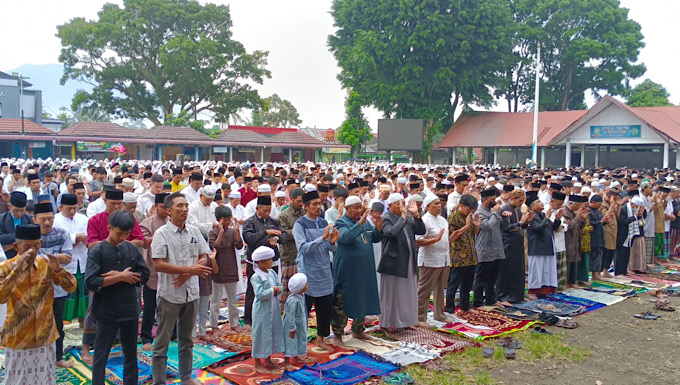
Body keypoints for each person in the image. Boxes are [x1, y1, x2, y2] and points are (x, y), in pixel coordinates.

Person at [0, 224, 77, 385]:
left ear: (40, 244)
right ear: (16, 246)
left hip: (45, 335)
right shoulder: (6, 268)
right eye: (27, 247)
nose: (32, 251)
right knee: (16, 379)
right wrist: (17, 270)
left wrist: (58, 269)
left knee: (45, 379)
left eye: (36, 246)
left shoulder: (45, 264)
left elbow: (71, 287)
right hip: (18, 336)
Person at [151, 192, 213, 385]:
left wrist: (189, 273)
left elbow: (205, 255)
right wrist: (188, 269)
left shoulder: (194, 231)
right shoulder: (162, 234)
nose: (185, 209)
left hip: (191, 293)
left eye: (186, 205)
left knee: (186, 339)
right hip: (170, 294)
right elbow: (159, 264)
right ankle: (159, 381)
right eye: (180, 206)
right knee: (162, 341)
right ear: (169, 211)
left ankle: (185, 377)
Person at [86, 210, 150, 385]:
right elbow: (91, 282)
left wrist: (117, 277)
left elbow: (144, 274)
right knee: (101, 355)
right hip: (106, 311)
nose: (123, 237)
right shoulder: (98, 251)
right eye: (119, 233)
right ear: (109, 228)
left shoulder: (130, 248)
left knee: (130, 353)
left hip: (129, 309)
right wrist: (120, 277)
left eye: (127, 234)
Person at [332, 195, 382, 343]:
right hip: (348, 271)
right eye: (355, 208)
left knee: (363, 298)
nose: (359, 210)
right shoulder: (340, 222)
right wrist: (360, 223)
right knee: (342, 301)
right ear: (347, 209)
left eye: (360, 207)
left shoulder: (365, 223)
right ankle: (338, 334)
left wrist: (378, 228)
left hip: (364, 270)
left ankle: (358, 330)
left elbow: (375, 238)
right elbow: (346, 238)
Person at [292, 190, 339, 351]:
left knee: (324, 308)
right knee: (303, 310)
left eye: (319, 204)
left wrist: (332, 242)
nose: (319, 207)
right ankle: (299, 342)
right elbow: (303, 248)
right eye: (315, 204)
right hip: (308, 273)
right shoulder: (300, 225)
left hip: (324, 271)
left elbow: (330, 248)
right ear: (305, 207)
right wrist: (323, 238)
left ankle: (321, 339)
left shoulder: (323, 222)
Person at [34, 202, 74, 368]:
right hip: (36, 289)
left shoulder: (62, 233)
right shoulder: (31, 235)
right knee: (37, 325)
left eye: (50, 219)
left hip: (58, 288)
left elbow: (68, 257)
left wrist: (47, 258)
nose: (47, 223)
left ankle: (57, 358)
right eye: (42, 219)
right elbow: (32, 260)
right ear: (34, 219)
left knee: (58, 324)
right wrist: (55, 258)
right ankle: (37, 359)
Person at [378, 193, 425, 329]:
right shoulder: (386, 218)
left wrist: (416, 215)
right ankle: (386, 323)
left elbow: (421, 230)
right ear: (391, 206)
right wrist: (403, 217)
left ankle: (406, 321)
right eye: (399, 204)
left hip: (408, 261)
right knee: (390, 295)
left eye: (403, 204)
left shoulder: (409, 218)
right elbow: (392, 232)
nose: (402, 207)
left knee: (407, 293)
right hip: (392, 263)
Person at [242, 195, 287, 328]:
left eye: (269, 210)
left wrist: (277, 239)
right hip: (255, 263)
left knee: (272, 288)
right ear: (257, 209)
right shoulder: (250, 222)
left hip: (272, 263)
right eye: (265, 211)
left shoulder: (274, 221)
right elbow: (249, 237)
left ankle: (271, 316)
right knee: (252, 290)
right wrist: (265, 232)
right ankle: (249, 320)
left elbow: (284, 236)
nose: (267, 213)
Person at [138, 192, 170, 351]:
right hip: (153, 269)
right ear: (155, 206)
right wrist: (163, 234)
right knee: (150, 307)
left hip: (171, 270)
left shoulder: (173, 222)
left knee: (170, 306)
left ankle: (172, 334)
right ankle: (146, 337)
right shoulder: (147, 223)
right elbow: (144, 243)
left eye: (168, 208)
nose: (165, 211)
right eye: (163, 207)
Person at [54, 193, 90, 325]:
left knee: (83, 293)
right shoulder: (55, 220)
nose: (72, 211)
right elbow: (59, 242)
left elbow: (88, 237)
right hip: (66, 264)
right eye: (69, 208)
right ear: (61, 207)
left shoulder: (83, 219)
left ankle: (83, 321)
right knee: (67, 294)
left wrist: (82, 238)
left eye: (75, 208)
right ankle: (63, 321)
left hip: (82, 261)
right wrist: (76, 237)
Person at [415, 194, 450, 326]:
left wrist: (454, 236)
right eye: (436, 203)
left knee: (440, 288)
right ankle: (420, 317)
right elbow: (418, 241)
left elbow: (444, 239)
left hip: (444, 259)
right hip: (430, 260)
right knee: (424, 290)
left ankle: (439, 313)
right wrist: (435, 240)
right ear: (428, 206)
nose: (439, 205)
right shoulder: (424, 221)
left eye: (440, 203)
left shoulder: (442, 220)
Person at [208, 205, 244, 333]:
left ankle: (234, 323)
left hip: (231, 269)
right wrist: (221, 233)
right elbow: (214, 247)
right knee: (215, 300)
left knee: (232, 300)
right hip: (218, 270)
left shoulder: (232, 232)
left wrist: (238, 230)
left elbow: (239, 246)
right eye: (225, 220)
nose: (227, 222)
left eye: (229, 219)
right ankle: (213, 325)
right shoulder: (213, 232)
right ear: (218, 220)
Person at [250, 246, 285, 374]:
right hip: (262, 311)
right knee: (260, 334)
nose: (272, 262)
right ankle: (257, 363)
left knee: (271, 332)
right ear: (261, 262)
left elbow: (279, 285)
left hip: (273, 307)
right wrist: (273, 291)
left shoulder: (272, 273)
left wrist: (278, 290)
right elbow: (259, 294)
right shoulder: (256, 277)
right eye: (269, 260)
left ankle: (268, 358)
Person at [445, 194, 480, 314]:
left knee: (467, 284)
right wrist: (467, 226)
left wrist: (476, 225)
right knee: (453, 284)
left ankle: (465, 306)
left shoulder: (469, 217)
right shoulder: (453, 218)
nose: (470, 212)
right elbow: (451, 237)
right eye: (469, 209)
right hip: (458, 256)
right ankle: (449, 308)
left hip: (471, 255)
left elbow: (473, 234)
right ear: (462, 205)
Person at [497, 189, 531, 304]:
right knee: (507, 271)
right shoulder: (505, 210)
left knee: (518, 270)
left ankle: (517, 296)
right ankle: (504, 296)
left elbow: (520, 226)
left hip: (517, 243)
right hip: (508, 244)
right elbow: (505, 228)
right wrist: (520, 223)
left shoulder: (517, 209)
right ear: (513, 199)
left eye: (523, 201)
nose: (521, 203)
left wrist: (526, 222)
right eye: (520, 200)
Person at [472, 188, 506, 308]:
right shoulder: (478, 212)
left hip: (496, 248)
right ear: (484, 200)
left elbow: (500, 224)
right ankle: (478, 302)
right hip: (485, 249)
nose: (494, 202)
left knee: (493, 278)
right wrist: (495, 213)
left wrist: (502, 214)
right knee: (482, 278)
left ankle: (491, 299)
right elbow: (488, 225)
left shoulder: (493, 210)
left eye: (495, 200)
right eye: (492, 200)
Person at [525, 195, 560, 298]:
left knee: (546, 271)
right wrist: (548, 218)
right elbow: (538, 229)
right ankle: (533, 291)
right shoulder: (532, 216)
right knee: (537, 271)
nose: (542, 203)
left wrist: (557, 219)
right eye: (538, 202)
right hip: (537, 248)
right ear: (532, 206)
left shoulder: (543, 215)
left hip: (547, 246)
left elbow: (553, 228)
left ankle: (544, 290)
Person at [278, 188, 305, 309]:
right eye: (299, 201)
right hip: (290, 255)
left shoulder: (305, 213)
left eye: (302, 201)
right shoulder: (283, 215)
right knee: (287, 286)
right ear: (291, 199)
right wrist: (298, 232)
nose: (301, 204)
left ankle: (300, 308)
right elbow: (282, 234)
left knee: (302, 285)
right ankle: (283, 310)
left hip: (303, 254)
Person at [282, 273, 310, 371]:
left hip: (298, 324)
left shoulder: (300, 297)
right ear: (301, 288)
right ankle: (286, 363)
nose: (308, 285)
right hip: (292, 326)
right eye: (306, 284)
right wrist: (292, 327)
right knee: (290, 342)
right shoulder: (294, 300)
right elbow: (290, 315)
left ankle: (296, 355)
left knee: (297, 340)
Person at [0, 191, 33, 259]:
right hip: (7, 257)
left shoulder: (30, 219)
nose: (19, 213)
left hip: (27, 256)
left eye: (22, 210)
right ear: (9, 206)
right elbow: (1, 238)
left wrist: (13, 243)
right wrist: (22, 236)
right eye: (16, 210)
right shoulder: (1, 219)